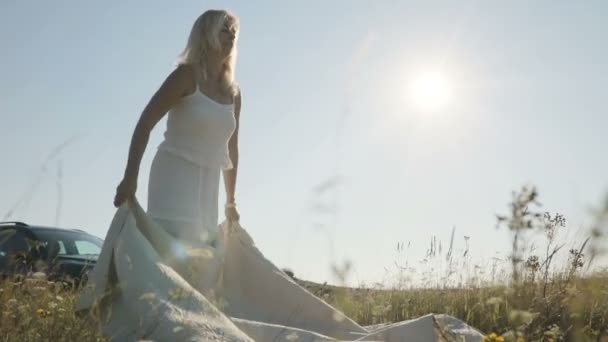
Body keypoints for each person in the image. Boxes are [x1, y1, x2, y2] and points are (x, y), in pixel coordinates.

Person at [76, 9, 484, 342]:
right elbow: (145, 122)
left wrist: (231, 203)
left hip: (208, 185)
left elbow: (232, 150)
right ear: (205, 33)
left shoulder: (234, 92)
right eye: (224, 29)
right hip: (173, 175)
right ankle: (153, 327)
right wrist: (129, 178)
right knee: (171, 257)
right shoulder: (186, 76)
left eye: (234, 30)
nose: (231, 35)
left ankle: (197, 330)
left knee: (204, 262)